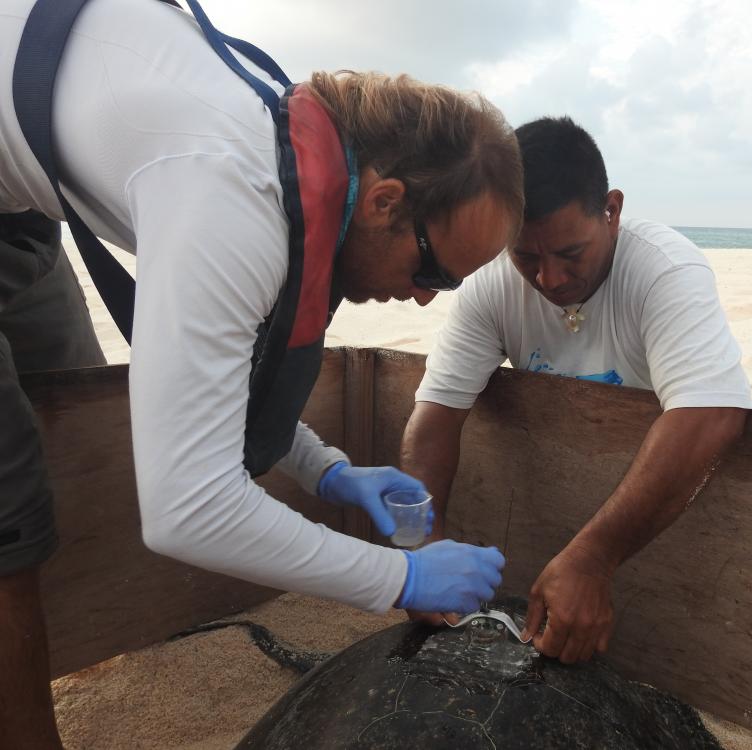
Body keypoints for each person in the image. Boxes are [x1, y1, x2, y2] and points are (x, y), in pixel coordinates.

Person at [0, 0, 522, 746]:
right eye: (430, 268)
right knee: (10, 511)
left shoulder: (292, 159)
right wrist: (401, 580)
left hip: (19, 197)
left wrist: (331, 473)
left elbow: (217, 398)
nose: (421, 296)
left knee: (73, 415)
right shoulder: (233, 194)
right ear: (383, 201)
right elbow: (188, 509)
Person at [400, 116, 752, 665]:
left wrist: (593, 559)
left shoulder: (664, 269)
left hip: (658, 540)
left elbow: (709, 415)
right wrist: (421, 548)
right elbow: (435, 416)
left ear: (611, 210)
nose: (550, 280)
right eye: (526, 257)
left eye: (570, 254)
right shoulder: (493, 283)